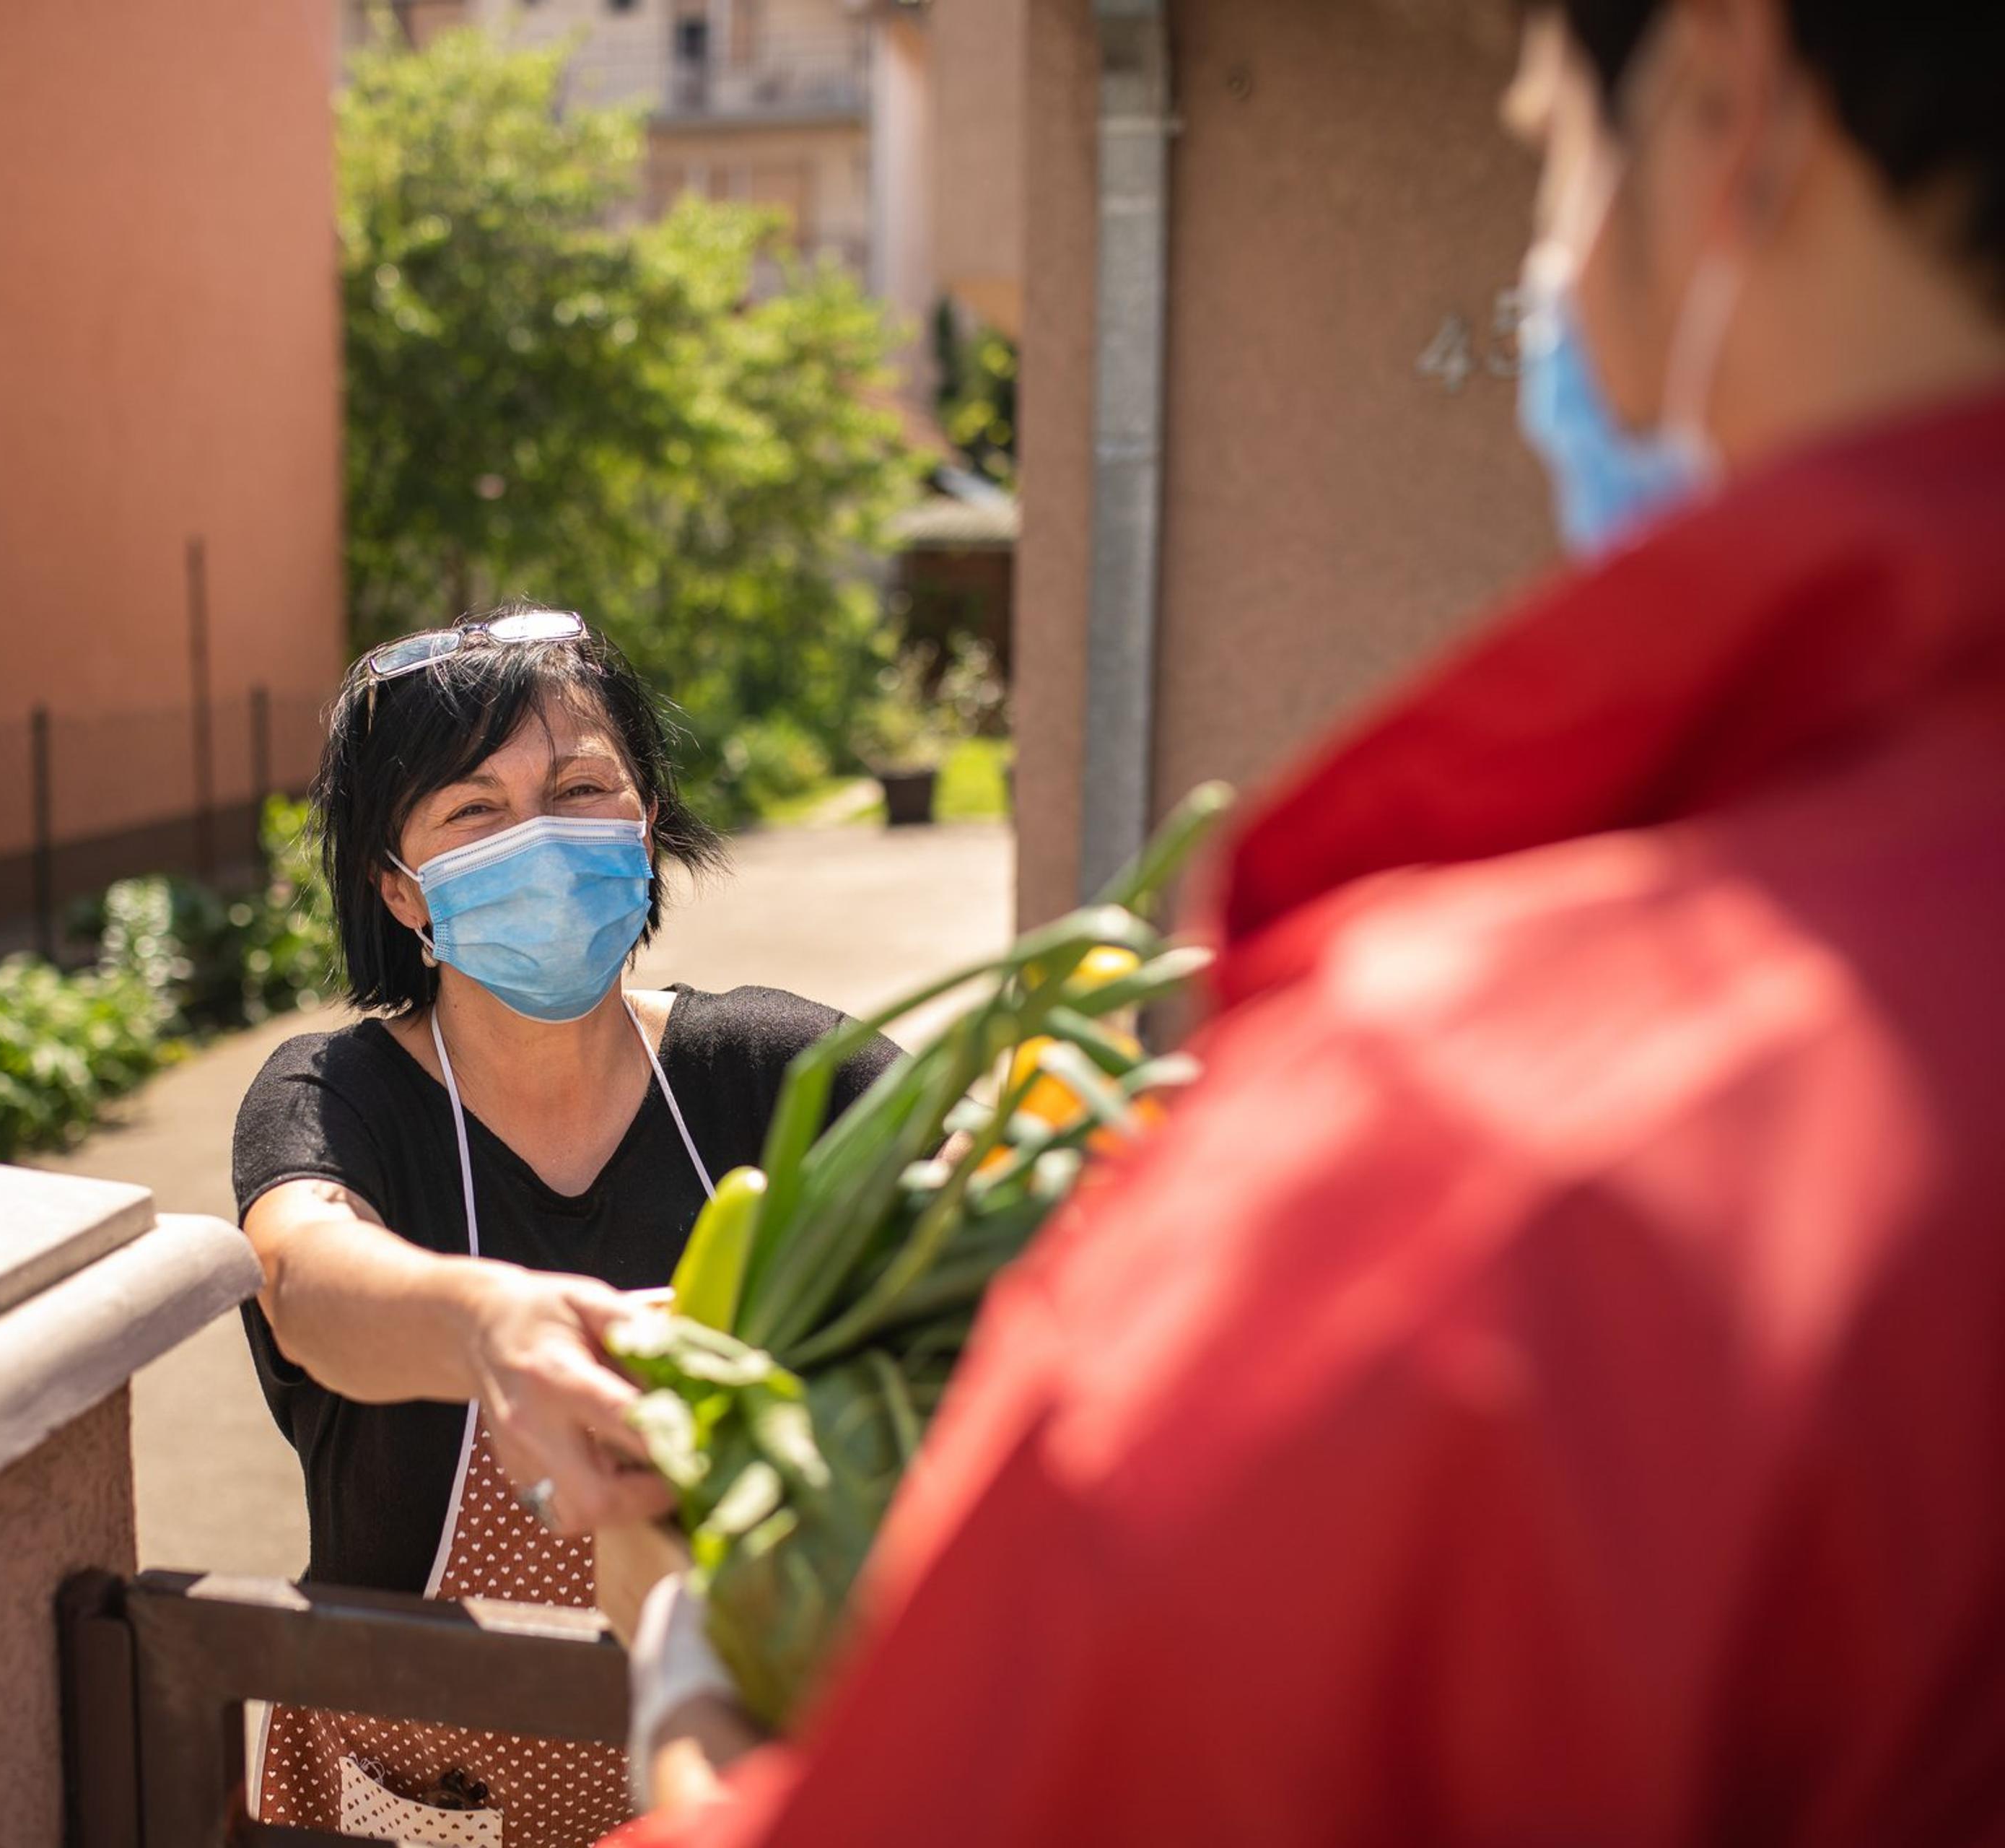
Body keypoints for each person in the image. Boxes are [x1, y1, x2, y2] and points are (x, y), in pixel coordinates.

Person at [603, 0, 2005, 1840]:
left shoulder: (1508, 1139)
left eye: (1549, 153)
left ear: (1722, 105)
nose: (1557, 278)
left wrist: (688, 1671)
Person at [230, 609, 903, 1845]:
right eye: (473, 813)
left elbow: (979, 1189)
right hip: (425, 1800)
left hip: (716, 1777)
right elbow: (301, 1274)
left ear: (643, 821)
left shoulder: (773, 1069)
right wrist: (489, 1323)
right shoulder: (336, 1095)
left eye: (581, 787)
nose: (538, 840)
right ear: (399, 887)